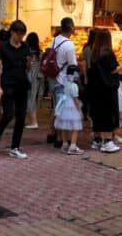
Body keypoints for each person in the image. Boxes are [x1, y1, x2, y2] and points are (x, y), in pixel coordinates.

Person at [0, 20, 31, 159]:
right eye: (18, 34)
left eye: (22, 35)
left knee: (21, 117)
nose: (20, 38)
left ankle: (15, 147)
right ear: (12, 32)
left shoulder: (25, 47)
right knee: (9, 114)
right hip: (7, 84)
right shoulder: (3, 47)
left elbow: (27, 66)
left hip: (22, 84)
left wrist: (29, 63)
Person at [87, 29, 121, 153]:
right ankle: (107, 141)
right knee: (108, 113)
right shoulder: (108, 53)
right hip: (107, 88)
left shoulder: (94, 53)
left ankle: (97, 140)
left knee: (97, 113)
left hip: (96, 88)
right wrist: (121, 66)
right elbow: (112, 70)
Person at [46, 17, 78, 148]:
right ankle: (60, 139)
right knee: (62, 111)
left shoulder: (54, 40)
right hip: (63, 81)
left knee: (56, 108)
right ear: (71, 28)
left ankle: (52, 134)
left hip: (52, 78)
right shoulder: (69, 45)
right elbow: (72, 66)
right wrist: (74, 82)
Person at [54, 65, 84, 154]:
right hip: (72, 107)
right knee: (75, 128)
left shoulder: (65, 82)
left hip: (64, 106)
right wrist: (80, 110)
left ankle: (65, 144)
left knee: (64, 127)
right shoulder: (74, 85)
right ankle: (73, 146)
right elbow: (76, 99)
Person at [25, 32, 43, 129]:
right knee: (33, 98)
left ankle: (33, 121)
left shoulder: (29, 53)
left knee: (30, 98)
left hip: (30, 77)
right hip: (38, 77)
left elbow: (28, 67)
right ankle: (31, 120)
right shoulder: (40, 53)